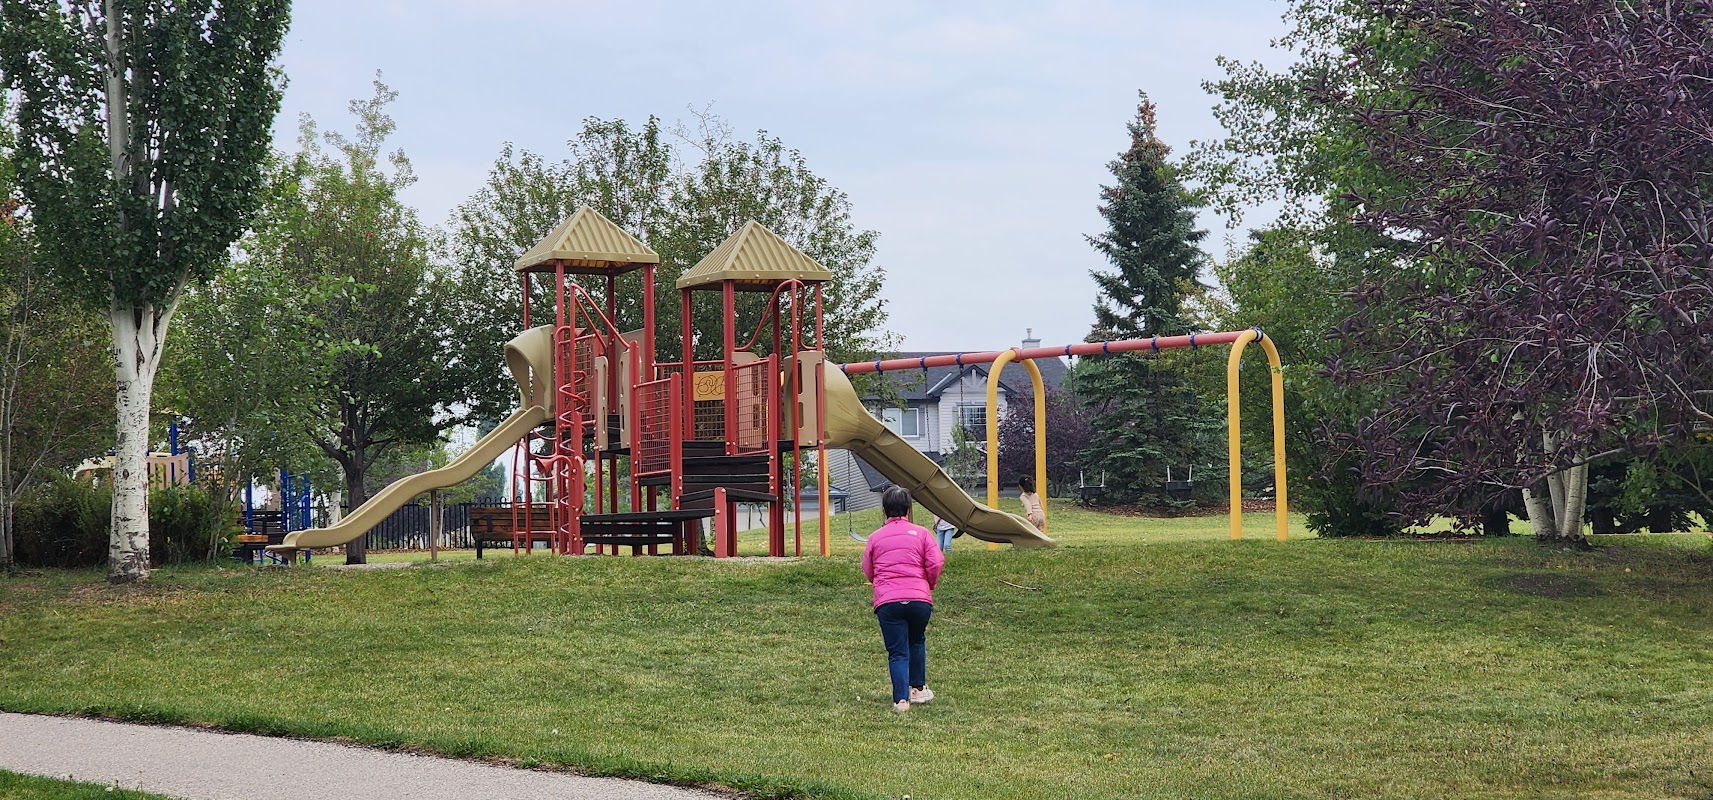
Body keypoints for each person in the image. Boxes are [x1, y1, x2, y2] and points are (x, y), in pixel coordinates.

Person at [861, 486, 944, 713]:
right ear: (908, 509)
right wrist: (929, 584)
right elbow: (936, 563)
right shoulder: (923, 534)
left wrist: (879, 583)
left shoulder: (875, 537)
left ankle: (901, 700)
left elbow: (868, 568)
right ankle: (917, 688)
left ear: (884, 510)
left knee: (897, 651)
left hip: (888, 601)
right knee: (917, 640)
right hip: (919, 599)